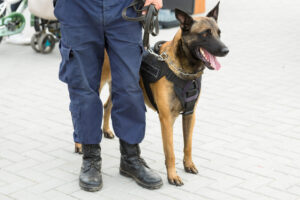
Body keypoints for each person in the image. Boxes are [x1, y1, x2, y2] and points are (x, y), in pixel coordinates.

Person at [54, 0, 163, 192]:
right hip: (77, 8)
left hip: (125, 7)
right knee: (84, 87)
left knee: (129, 85)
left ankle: (130, 158)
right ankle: (90, 158)